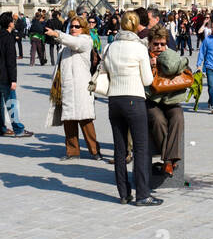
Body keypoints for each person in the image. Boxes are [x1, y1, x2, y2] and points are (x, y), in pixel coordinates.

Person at [104, 11, 161, 205]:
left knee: (120, 150)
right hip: (134, 100)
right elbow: (147, 79)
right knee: (141, 148)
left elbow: (105, 72)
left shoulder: (110, 47)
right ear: (136, 26)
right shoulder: (138, 48)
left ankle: (123, 194)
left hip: (114, 100)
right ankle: (143, 194)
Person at [47, 15, 102, 160]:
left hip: (81, 86)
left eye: (77, 26)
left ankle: (95, 150)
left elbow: (75, 43)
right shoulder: (65, 45)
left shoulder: (85, 41)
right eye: (71, 26)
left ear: (83, 28)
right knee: (69, 120)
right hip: (67, 86)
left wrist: (57, 34)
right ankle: (72, 151)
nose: (73, 29)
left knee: (86, 119)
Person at [145, 26, 187, 176]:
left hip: (170, 99)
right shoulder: (143, 57)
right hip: (151, 101)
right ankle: (169, 161)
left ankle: (167, 160)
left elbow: (183, 67)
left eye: (162, 44)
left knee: (178, 116)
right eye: (156, 44)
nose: (159, 47)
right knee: (157, 119)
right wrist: (150, 66)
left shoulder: (171, 56)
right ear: (149, 43)